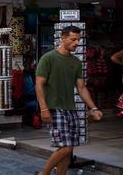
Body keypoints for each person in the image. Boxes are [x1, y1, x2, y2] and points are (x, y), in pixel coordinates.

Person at [36, 26, 103, 175]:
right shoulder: (48, 58)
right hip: (54, 107)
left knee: (68, 149)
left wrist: (93, 108)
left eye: (78, 39)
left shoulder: (75, 62)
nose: (76, 43)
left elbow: (81, 88)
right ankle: (44, 173)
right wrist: (44, 109)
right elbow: (39, 85)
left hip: (70, 109)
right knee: (66, 148)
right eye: (73, 39)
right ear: (63, 38)